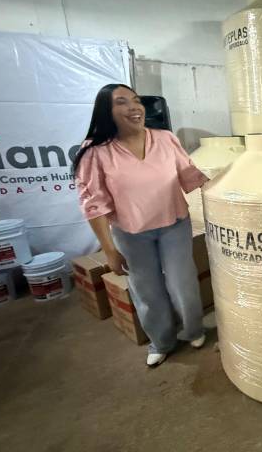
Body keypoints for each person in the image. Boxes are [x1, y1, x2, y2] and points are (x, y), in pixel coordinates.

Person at [73, 84, 208, 368]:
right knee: (147, 290)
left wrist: (225, 186)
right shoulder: (95, 151)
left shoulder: (165, 138)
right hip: (131, 233)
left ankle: (194, 330)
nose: (134, 107)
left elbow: (189, 174)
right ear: (106, 111)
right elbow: (94, 203)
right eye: (122, 102)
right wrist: (109, 250)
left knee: (182, 283)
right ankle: (161, 342)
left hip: (174, 224)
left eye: (136, 101)